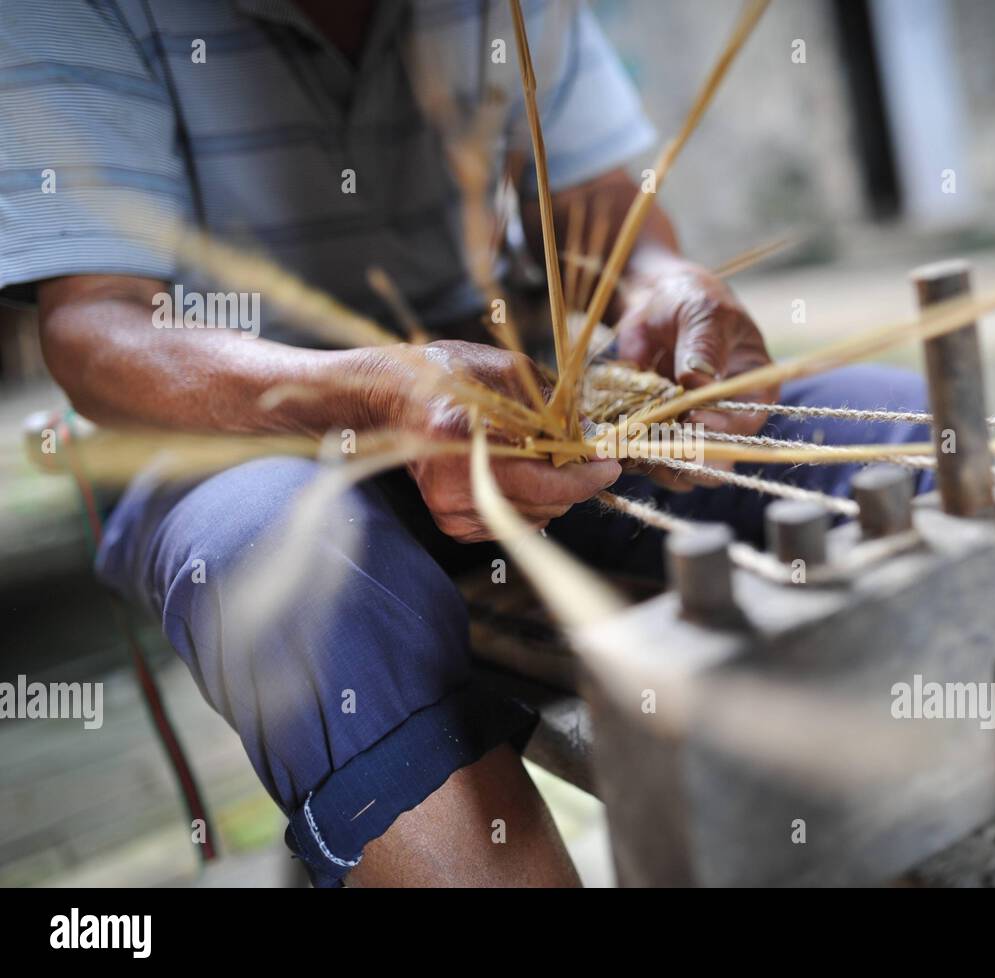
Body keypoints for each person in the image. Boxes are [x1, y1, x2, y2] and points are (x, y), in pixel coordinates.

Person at [0, 0, 929, 886]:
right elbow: (100, 334)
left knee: (902, 434)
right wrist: (369, 393)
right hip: (231, 436)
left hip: (508, 407)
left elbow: (601, 214)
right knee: (286, 562)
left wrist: (661, 284)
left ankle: (925, 819)